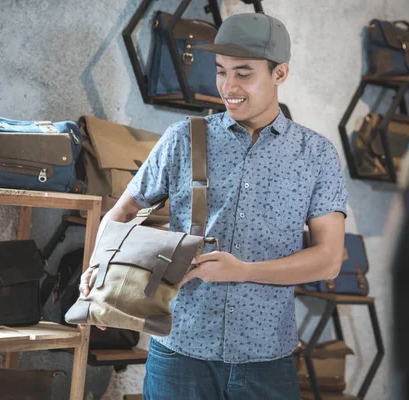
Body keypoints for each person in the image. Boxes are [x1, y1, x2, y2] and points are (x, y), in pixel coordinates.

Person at [80, 12, 347, 400]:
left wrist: (244, 271)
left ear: (280, 73)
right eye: (221, 71)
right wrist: (97, 269)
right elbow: (120, 212)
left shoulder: (316, 154)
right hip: (180, 351)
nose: (227, 86)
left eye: (243, 73)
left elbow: (329, 259)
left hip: (267, 358)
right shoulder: (183, 138)